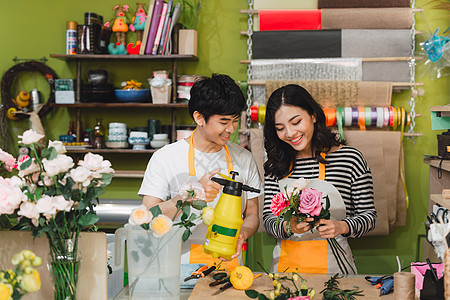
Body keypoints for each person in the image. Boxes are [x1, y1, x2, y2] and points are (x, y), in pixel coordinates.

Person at [138, 73, 263, 271]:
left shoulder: (244, 158)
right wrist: (189, 195)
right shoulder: (165, 157)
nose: (231, 128)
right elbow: (148, 217)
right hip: (177, 266)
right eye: (223, 122)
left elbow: (252, 215)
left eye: (235, 120)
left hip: (228, 266)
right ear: (199, 117)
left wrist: (243, 234)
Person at [262, 84, 377, 274]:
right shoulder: (276, 164)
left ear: (313, 115)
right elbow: (268, 220)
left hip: (337, 273)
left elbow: (369, 217)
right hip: (286, 274)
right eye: (280, 128)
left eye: (296, 122)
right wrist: (287, 226)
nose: (290, 133)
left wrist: (342, 226)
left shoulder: (350, 159)